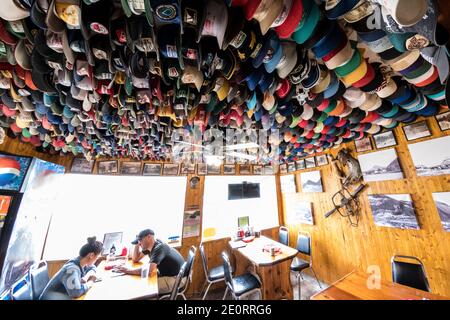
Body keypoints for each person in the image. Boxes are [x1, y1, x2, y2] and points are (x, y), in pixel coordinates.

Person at [116, 229, 185, 295]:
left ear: (149, 237)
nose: (139, 243)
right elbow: (135, 259)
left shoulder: (159, 248)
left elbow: (148, 270)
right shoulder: (150, 247)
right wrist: (137, 243)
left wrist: (128, 270)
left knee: (143, 289)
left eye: (140, 240)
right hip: (170, 275)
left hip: (176, 279)